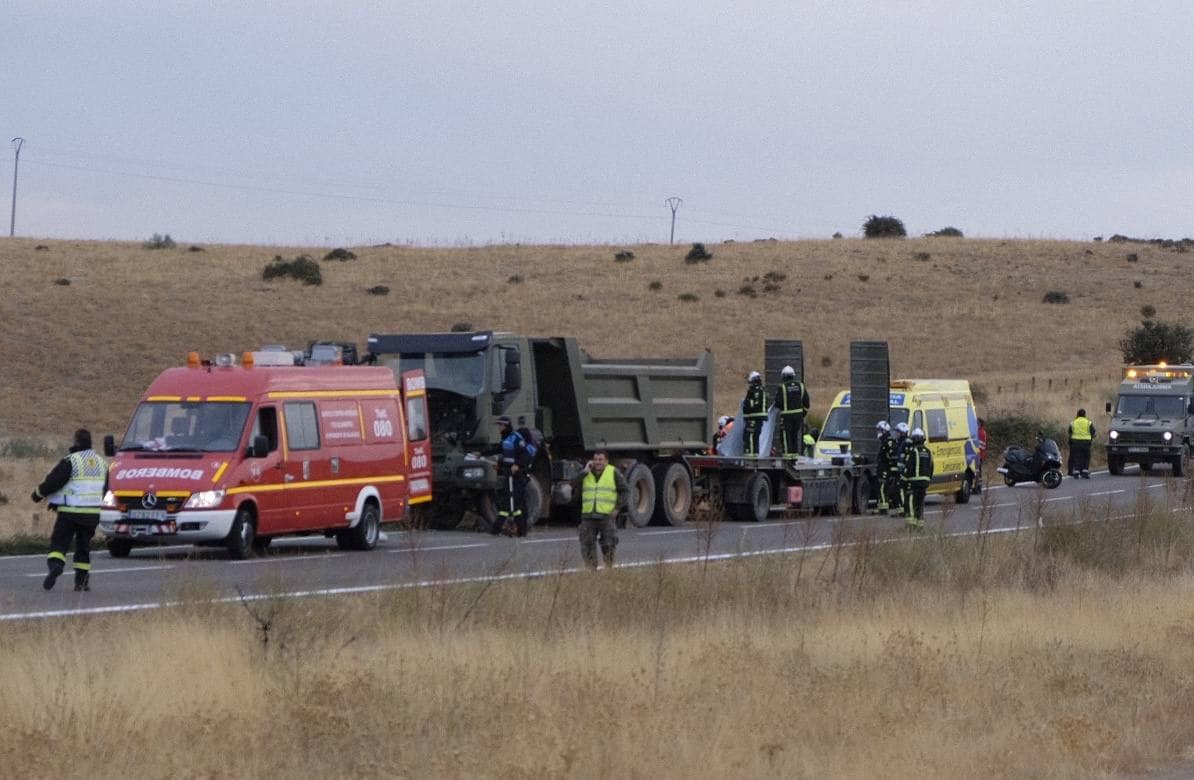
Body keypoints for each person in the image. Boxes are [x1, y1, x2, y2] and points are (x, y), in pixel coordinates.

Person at [30, 429, 106, 591]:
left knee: (59, 543)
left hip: (70, 513)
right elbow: (107, 489)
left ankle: (56, 566)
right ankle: (82, 582)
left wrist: (38, 494)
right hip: (92, 515)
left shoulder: (72, 461)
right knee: (84, 547)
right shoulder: (102, 463)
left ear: (76, 441)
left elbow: (54, 481)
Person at [576, 450, 629, 569]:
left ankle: (608, 569)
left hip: (606, 517)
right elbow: (573, 484)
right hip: (588, 517)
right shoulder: (586, 473)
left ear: (606, 461)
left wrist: (617, 508)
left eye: (600, 460)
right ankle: (591, 571)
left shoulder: (613, 472)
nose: (597, 462)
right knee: (587, 545)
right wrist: (584, 472)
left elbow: (625, 491)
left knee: (608, 544)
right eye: (595, 459)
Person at [488, 416, 534, 537]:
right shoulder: (505, 439)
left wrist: (517, 465)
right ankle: (513, 529)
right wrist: (498, 465)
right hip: (508, 473)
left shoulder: (515, 438)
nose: (499, 427)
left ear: (506, 426)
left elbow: (526, 455)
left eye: (501, 425)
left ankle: (518, 530)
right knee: (509, 501)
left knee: (515, 501)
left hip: (517, 475)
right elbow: (503, 454)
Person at [774, 365, 810, 459]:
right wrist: (803, 414)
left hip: (786, 417)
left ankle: (787, 457)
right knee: (794, 436)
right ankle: (794, 456)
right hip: (798, 417)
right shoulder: (801, 386)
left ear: (784, 377)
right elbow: (807, 402)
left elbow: (777, 403)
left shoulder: (782, 388)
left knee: (786, 436)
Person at [900, 427, 934, 528]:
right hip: (925, 482)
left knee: (910, 502)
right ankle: (920, 524)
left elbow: (908, 466)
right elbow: (931, 467)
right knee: (920, 503)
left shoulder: (912, 451)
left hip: (913, 482)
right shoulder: (928, 452)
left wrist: (903, 480)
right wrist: (928, 479)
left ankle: (911, 525)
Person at [742, 371, 768, 456]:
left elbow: (753, 405)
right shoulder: (761, 390)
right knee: (754, 438)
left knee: (749, 436)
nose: (750, 384)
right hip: (757, 418)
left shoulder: (756, 391)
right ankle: (754, 456)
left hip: (754, 417)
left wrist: (746, 404)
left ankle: (750, 456)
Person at [874, 420, 897, 513]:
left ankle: (883, 508)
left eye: (880, 430)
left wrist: (890, 470)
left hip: (886, 469)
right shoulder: (885, 441)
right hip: (883, 468)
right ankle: (881, 506)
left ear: (884, 431)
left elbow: (891, 457)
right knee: (880, 487)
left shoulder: (888, 442)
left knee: (882, 487)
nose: (878, 433)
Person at [889, 422, 910, 516]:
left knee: (900, 490)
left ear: (903, 433)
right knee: (896, 491)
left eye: (898, 432)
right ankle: (901, 510)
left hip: (904, 473)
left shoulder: (906, 443)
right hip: (899, 472)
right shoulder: (899, 443)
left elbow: (905, 459)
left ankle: (903, 511)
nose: (896, 434)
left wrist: (903, 471)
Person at [1068, 408, 1094, 479]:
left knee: (1076, 457)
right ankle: (1085, 472)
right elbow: (1093, 432)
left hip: (1075, 442)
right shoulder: (1088, 422)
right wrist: (1090, 439)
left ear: (1077, 414)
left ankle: (1076, 472)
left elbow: (1069, 432)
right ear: (1085, 414)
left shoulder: (1073, 422)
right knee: (1086, 457)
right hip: (1086, 442)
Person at [974, 417, 989, 493]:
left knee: (977, 471)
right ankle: (978, 486)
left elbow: (979, 446)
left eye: (976, 423)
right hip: (980, 454)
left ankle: (977, 487)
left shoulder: (980, 432)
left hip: (978, 455)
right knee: (978, 471)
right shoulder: (982, 431)